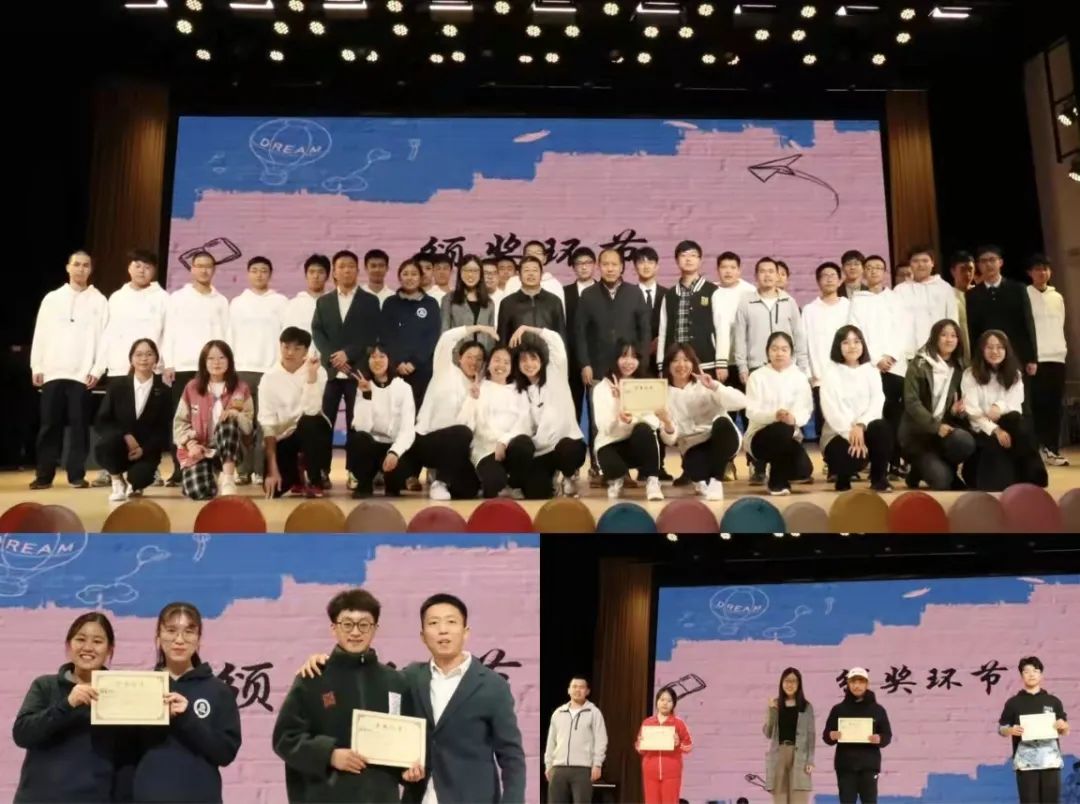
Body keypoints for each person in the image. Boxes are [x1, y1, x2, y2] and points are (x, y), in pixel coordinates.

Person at [275, 589, 422, 803]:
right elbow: (285, 738)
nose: (355, 632)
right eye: (347, 624)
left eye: (364, 624)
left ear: (375, 628)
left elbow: (404, 746)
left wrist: (409, 771)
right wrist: (330, 755)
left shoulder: (395, 682)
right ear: (333, 628)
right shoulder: (313, 677)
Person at [401, 593, 526, 803]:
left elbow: (511, 756)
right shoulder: (410, 678)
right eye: (433, 623)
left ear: (465, 631)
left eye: (451, 622)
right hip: (419, 797)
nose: (443, 630)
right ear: (423, 636)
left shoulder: (493, 686)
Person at [128, 602, 241, 804]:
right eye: (171, 631)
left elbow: (225, 754)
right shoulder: (141, 688)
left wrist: (187, 717)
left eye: (189, 632)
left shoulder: (218, 690)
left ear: (198, 639)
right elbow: (125, 752)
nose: (179, 640)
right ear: (158, 637)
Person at [12, 613, 120, 803]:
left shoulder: (119, 693)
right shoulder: (45, 686)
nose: (88, 647)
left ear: (110, 649)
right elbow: (22, 735)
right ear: (68, 645)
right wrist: (67, 704)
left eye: (97, 641)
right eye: (80, 639)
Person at [29, 250, 108, 490]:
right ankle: (44, 475)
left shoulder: (99, 300)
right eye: (77, 264)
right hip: (52, 370)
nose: (81, 269)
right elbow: (40, 333)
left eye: (86, 265)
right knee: (49, 426)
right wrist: (37, 365)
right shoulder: (52, 298)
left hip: (82, 374)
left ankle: (76, 475)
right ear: (68, 267)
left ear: (90, 270)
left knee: (79, 426)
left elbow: (106, 338)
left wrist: (98, 369)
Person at [91, 249, 168, 487]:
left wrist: (165, 365)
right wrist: (98, 368)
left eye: (147, 266)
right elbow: (108, 334)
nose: (142, 270)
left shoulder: (163, 298)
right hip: (119, 369)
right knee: (117, 421)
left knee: (148, 420)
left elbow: (168, 334)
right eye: (137, 265)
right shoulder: (117, 297)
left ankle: (150, 465)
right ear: (129, 268)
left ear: (154, 271)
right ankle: (111, 467)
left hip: (151, 369)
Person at [311, 249, 382, 489]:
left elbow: (372, 334)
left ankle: (354, 471)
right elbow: (318, 332)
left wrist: (348, 354)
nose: (346, 270)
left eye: (351, 266)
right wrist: (334, 357)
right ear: (334, 272)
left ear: (357, 270)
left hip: (358, 370)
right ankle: (322, 471)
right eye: (341, 266)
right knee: (325, 423)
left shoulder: (369, 301)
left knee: (356, 422)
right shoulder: (324, 302)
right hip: (331, 372)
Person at [161, 250, 230, 486]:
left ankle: (211, 465)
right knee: (182, 417)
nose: (204, 270)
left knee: (211, 416)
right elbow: (169, 331)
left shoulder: (221, 300)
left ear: (214, 269)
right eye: (199, 265)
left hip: (212, 367)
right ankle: (180, 467)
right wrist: (168, 362)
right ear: (191, 269)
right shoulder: (178, 298)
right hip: (183, 365)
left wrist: (225, 365)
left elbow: (226, 334)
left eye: (208, 266)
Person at [411, 325, 495, 500]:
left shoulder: (480, 387)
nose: (474, 362)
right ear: (459, 358)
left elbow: (472, 426)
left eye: (479, 359)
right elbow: (446, 339)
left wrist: (473, 399)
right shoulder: (445, 370)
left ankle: (446, 478)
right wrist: (479, 328)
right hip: (427, 439)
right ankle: (440, 482)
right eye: (469, 357)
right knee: (461, 433)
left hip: (456, 448)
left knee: (469, 489)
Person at [506, 325, 587, 498]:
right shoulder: (520, 391)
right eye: (523, 360)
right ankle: (550, 478)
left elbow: (555, 340)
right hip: (543, 449)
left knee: (567, 450)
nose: (529, 364)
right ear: (517, 364)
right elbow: (522, 424)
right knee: (536, 493)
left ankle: (568, 477)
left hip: (568, 444)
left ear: (542, 361)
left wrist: (526, 328)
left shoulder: (555, 374)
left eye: (533, 358)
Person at [849, 255, 911, 480]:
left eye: (878, 267)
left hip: (895, 366)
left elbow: (904, 330)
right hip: (869, 367)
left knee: (894, 416)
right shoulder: (858, 300)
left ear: (885, 273)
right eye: (870, 268)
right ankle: (876, 464)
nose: (874, 271)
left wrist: (890, 356)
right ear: (864, 272)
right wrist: (875, 359)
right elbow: (855, 332)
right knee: (874, 416)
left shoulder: (895, 298)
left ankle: (894, 462)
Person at [962, 330, 1048, 491]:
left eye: (1000, 347)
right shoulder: (970, 374)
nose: (995, 351)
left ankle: (1034, 474)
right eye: (989, 347)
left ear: (1006, 350)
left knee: (1017, 422)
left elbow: (1015, 404)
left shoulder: (1015, 374)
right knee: (997, 483)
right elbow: (972, 411)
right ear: (982, 350)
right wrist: (995, 430)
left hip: (1009, 424)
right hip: (982, 429)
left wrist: (998, 407)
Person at [661, 343, 747, 502]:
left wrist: (715, 386)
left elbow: (742, 402)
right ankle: (702, 480)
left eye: (686, 360)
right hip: (693, 445)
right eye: (675, 360)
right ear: (668, 365)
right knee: (694, 469)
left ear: (693, 363)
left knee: (722, 423)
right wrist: (667, 423)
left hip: (722, 438)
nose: (681, 365)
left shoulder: (705, 384)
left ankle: (716, 480)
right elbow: (669, 440)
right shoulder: (663, 393)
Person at [228, 255, 288, 485]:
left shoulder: (281, 302)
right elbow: (229, 336)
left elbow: (285, 337)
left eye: (264, 270)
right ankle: (243, 469)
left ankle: (261, 469)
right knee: (243, 422)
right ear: (248, 274)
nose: (259, 274)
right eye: (254, 270)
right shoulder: (237, 303)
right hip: (242, 369)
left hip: (270, 371)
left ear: (270, 274)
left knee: (266, 423)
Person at [172, 340, 254, 499]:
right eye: (211, 358)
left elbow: (248, 427)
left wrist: (236, 414)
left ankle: (228, 478)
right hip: (199, 449)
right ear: (204, 362)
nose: (216, 362)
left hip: (230, 448)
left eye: (222, 358)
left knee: (228, 422)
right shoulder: (192, 387)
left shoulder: (241, 388)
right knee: (198, 491)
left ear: (229, 361)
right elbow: (180, 422)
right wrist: (189, 444)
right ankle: (211, 473)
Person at [899, 319, 975, 490]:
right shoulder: (919, 364)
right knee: (941, 481)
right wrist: (935, 426)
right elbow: (912, 403)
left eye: (954, 336)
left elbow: (960, 404)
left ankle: (947, 470)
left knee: (965, 441)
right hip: (918, 434)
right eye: (944, 335)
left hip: (944, 432)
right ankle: (918, 469)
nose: (949, 339)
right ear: (935, 337)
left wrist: (956, 411)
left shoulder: (960, 368)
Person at [94, 338, 173, 502]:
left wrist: (144, 449)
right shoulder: (117, 386)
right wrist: (125, 435)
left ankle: (134, 482)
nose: (144, 359)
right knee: (106, 444)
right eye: (139, 354)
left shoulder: (164, 391)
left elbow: (164, 430)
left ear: (156, 359)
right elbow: (103, 420)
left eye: (149, 354)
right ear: (131, 359)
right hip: (119, 444)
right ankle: (117, 480)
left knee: (140, 479)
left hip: (146, 450)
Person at [258, 327, 331, 499]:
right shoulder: (269, 378)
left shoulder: (318, 371)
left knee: (309, 422)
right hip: (283, 436)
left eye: (297, 348)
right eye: (286, 347)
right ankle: (296, 476)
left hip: (312, 430)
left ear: (306, 351)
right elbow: (268, 425)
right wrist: (272, 470)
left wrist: (311, 376)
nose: (290, 352)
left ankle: (314, 479)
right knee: (274, 490)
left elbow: (312, 410)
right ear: (280, 346)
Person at [820, 326, 894, 492]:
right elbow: (831, 410)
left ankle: (879, 479)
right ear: (838, 346)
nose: (852, 346)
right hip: (838, 434)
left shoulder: (871, 371)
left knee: (882, 428)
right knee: (845, 457)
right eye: (846, 342)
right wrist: (851, 433)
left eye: (857, 341)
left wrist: (861, 425)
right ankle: (842, 478)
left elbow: (877, 402)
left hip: (865, 429)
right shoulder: (830, 373)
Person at [592, 341, 670, 501]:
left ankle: (652, 480)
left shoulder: (645, 385)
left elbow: (653, 422)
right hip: (611, 442)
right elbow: (604, 428)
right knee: (609, 461)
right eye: (624, 356)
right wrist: (617, 415)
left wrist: (631, 417)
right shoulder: (601, 388)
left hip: (637, 442)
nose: (629, 362)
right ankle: (617, 479)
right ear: (615, 359)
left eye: (634, 357)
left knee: (644, 429)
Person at [456, 343, 530, 498]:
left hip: (510, 447)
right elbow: (464, 425)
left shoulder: (519, 391)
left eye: (506, 362)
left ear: (511, 367)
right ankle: (490, 479)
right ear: (488, 365)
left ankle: (514, 483)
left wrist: (503, 441)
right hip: (485, 450)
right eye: (497, 360)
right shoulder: (479, 388)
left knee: (524, 444)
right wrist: (472, 399)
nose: (501, 365)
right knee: (494, 484)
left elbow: (524, 424)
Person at [744, 332, 814, 496]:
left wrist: (794, 418)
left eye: (784, 349)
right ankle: (777, 482)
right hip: (760, 436)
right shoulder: (757, 376)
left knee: (803, 469)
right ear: (768, 351)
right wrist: (774, 416)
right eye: (774, 349)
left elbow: (806, 409)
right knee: (782, 428)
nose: (779, 353)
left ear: (791, 352)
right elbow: (751, 411)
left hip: (789, 434)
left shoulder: (799, 377)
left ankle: (775, 467)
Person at [346, 344, 417, 497]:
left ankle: (391, 483)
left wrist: (394, 452)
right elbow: (361, 428)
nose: (377, 360)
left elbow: (408, 430)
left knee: (395, 484)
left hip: (393, 447)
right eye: (373, 357)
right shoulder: (363, 386)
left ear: (390, 360)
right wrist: (366, 396)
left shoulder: (404, 388)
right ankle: (364, 485)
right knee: (358, 439)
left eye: (382, 356)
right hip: (372, 446)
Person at [998, 656, 1070, 804]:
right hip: (1025, 764)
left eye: (1035, 671)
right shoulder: (1013, 703)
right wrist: (1010, 730)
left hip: (1050, 762)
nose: (1031, 675)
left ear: (1041, 674)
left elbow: (1065, 730)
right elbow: (1001, 728)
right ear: (1021, 675)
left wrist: (1063, 726)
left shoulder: (1053, 701)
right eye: (1027, 671)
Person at [966, 246, 1039, 388]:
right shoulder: (972, 295)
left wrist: (1032, 358)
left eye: (992, 260)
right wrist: (975, 360)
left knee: (1018, 396)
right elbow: (973, 330)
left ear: (1001, 262)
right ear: (978, 265)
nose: (988, 264)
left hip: (1016, 354)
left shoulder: (1018, 289)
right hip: (987, 357)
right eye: (983, 261)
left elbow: (1027, 323)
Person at [802, 262, 852, 453]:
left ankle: (852, 459)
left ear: (840, 280)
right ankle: (829, 460)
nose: (829, 279)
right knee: (825, 421)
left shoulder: (849, 306)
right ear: (818, 281)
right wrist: (808, 373)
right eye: (825, 276)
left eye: (833, 275)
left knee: (849, 418)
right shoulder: (809, 310)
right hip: (820, 376)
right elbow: (803, 342)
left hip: (847, 374)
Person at [822, 668, 892, 804]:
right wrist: (831, 735)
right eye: (853, 682)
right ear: (848, 684)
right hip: (845, 766)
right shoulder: (838, 709)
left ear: (867, 684)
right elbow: (826, 736)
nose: (857, 686)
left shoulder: (878, 710)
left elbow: (887, 735)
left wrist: (880, 739)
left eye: (861, 682)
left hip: (869, 766)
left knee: (870, 801)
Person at [656, 240, 724, 377]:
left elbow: (721, 328)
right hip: (675, 365)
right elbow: (663, 332)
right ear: (677, 260)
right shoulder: (669, 295)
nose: (688, 259)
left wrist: (721, 362)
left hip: (706, 362)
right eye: (683, 255)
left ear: (700, 260)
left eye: (693, 255)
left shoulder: (712, 291)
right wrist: (661, 364)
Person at [382, 259, 443, 409]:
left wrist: (414, 362)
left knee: (419, 411)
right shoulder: (390, 303)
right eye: (405, 274)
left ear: (421, 277)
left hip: (422, 369)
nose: (410, 278)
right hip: (395, 368)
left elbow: (432, 337)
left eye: (414, 274)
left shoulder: (431, 304)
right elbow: (386, 336)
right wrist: (397, 362)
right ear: (399, 277)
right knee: (394, 410)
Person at [1025, 255, 1069, 466]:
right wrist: (1029, 356)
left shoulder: (1057, 297)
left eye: (1045, 269)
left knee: (1055, 405)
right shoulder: (1025, 294)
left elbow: (1061, 323)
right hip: (1036, 359)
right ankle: (1037, 449)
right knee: (1036, 405)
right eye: (1037, 269)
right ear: (1030, 273)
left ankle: (1052, 449)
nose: (1042, 273)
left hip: (1057, 357)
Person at [544, 677, 609, 804]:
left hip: (583, 769)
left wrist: (597, 764)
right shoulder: (558, 713)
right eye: (574, 687)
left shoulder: (594, 713)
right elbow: (551, 741)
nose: (577, 690)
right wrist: (548, 765)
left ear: (587, 691)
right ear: (568, 690)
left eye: (581, 687)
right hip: (558, 768)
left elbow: (601, 740)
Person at [563, 247, 597, 480]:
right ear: (573, 268)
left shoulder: (602, 291)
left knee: (598, 416)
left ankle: (597, 463)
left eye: (587, 262)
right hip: (571, 363)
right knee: (572, 414)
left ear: (594, 265)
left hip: (598, 362)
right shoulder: (564, 293)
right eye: (579, 263)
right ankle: (573, 465)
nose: (583, 267)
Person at [892, 245, 958, 361]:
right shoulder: (900, 290)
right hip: (909, 354)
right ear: (910, 264)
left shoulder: (944, 288)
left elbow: (953, 320)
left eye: (925, 261)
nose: (920, 265)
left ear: (932, 263)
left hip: (939, 352)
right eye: (915, 261)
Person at [763, 668, 815, 804]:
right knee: (780, 799)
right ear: (781, 683)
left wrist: (810, 760)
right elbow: (768, 733)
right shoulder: (775, 704)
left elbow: (811, 735)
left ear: (799, 684)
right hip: (778, 754)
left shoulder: (806, 707)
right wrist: (772, 711)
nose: (790, 684)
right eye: (787, 681)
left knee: (799, 799)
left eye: (794, 681)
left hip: (799, 756)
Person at [636, 686, 693, 804]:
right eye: (662, 699)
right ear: (657, 701)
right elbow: (641, 750)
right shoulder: (647, 723)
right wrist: (641, 744)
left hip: (672, 772)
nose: (665, 703)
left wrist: (678, 743)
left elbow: (688, 747)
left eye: (669, 701)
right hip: (650, 771)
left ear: (674, 704)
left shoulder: (678, 724)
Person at [496, 256, 566, 344]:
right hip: (519, 352)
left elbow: (561, 335)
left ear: (541, 275)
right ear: (519, 276)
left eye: (535, 270)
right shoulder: (507, 303)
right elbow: (502, 337)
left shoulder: (554, 301)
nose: (531, 274)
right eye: (526, 270)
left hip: (548, 352)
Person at [441, 254, 496, 353]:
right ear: (460, 273)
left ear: (481, 274)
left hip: (482, 356)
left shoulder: (489, 302)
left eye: (475, 271)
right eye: (466, 270)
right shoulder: (449, 299)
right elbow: (444, 333)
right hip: (457, 356)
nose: (470, 275)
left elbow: (491, 336)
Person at [498, 239, 567, 312]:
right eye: (529, 253)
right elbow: (505, 310)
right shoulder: (513, 282)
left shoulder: (554, 284)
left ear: (545, 258)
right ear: (523, 258)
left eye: (538, 253)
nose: (533, 256)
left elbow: (560, 312)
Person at [283, 254, 331, 339]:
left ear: (327, 276)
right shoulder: (293, 304)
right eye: (311, 272)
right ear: (306, 275)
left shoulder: (334, 303)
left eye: (320, 272)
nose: (316, 276)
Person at [948, 251, 976, 359]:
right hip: (958, 352)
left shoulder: (979, 293)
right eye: (963, 270)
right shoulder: (947, 295)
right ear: (953, 271)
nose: (967, 274)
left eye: (970, 269)